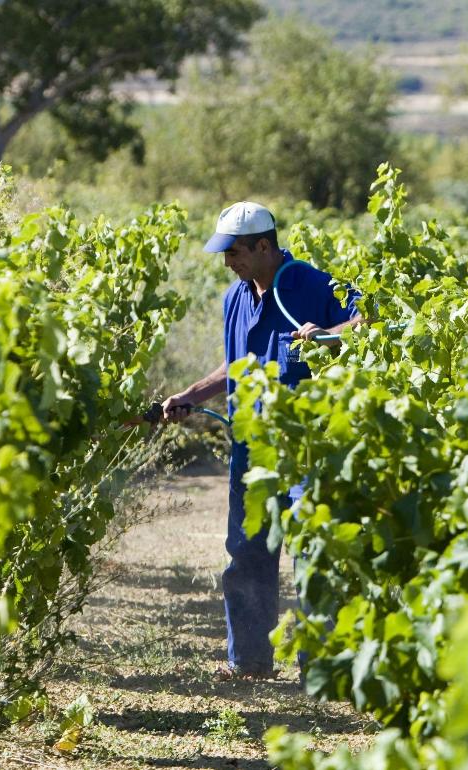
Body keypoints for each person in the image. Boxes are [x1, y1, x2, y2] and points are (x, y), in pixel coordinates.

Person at [161, 201, 362, 679]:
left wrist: (329, 334)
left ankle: (323, 670)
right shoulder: (236, 297)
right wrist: (190, 394)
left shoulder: (312, 284)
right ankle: (248, 661)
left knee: (313, 551)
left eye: (234, 253)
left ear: (264, 246)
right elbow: (237, 365)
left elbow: (367, 320)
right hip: (250, 448)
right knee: (247, 549)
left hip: (306, 444)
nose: (228, 263)